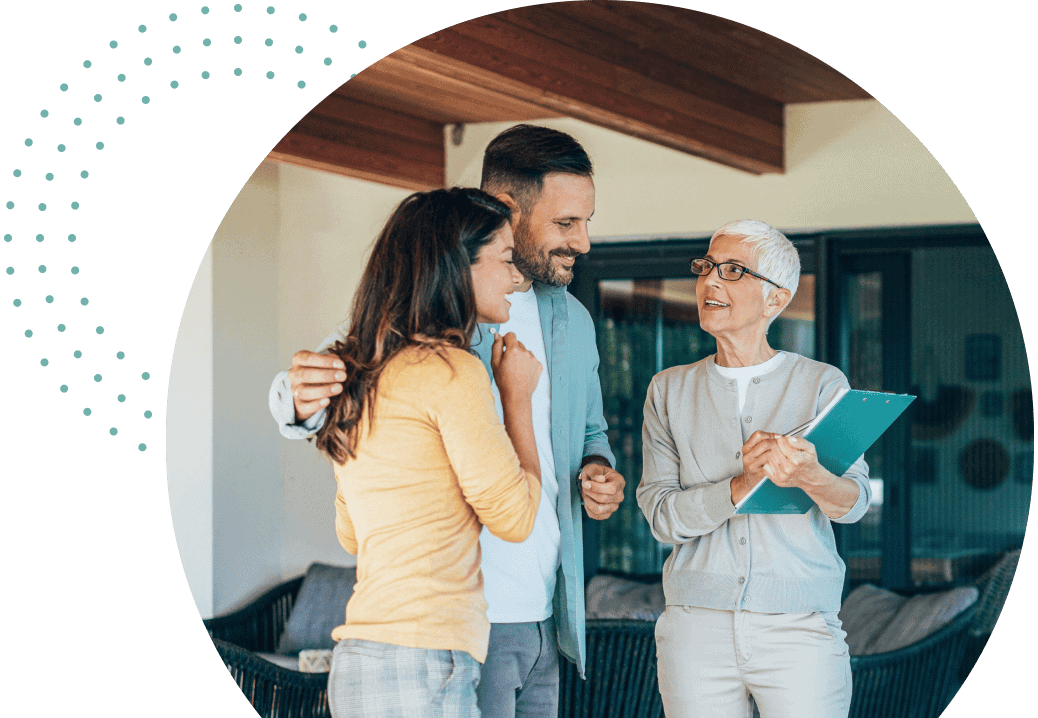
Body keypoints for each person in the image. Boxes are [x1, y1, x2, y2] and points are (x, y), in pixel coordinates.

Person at [269, 125, 625, 718]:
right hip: (464, 624)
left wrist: (598, 468)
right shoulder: (436, 323)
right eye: (567, 224)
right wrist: (297, 403)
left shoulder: (576, 322)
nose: (583, 243)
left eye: (585, 222)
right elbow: (327, 378)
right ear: (508, 211)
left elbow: (591, 432)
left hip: (547, 617)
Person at [317, 187, 543, 718]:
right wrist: (517, 400)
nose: (515, 277)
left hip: (356, 661)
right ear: (457, 267)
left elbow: (350, 533)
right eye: (506, 260)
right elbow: (514, 517)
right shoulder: (451, 371)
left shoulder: (359, 377)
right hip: (424, 660)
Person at [636, 219, 871, 718]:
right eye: (707, 267)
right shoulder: (667, 389)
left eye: (734, 270)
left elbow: (854, 503)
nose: (710, 282)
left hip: (799, 628)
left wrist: (811, 475)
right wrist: (740, 485)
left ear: (776, 300)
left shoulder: (822, 384)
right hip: (695, 630)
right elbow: (660, 515)